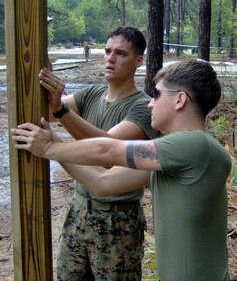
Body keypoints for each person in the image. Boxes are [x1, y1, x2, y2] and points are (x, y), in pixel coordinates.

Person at [12, 59, 232, 281]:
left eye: (156, 95)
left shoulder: (196, 146)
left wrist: (50, 148)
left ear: (180, 99)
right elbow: (103, 182)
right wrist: (54, 143)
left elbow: (108, 149)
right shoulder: (175, 160)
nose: (150, 104)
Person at [36, 26, 158, 280]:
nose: (110, 59)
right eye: (107, 51)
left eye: (121, 54)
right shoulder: (91, 94)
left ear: (138, 61)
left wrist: (60, 112)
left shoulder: (143, 107)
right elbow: (47, 111)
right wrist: (42, 74)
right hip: (78, 211)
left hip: (117, 221)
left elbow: (107, 149)